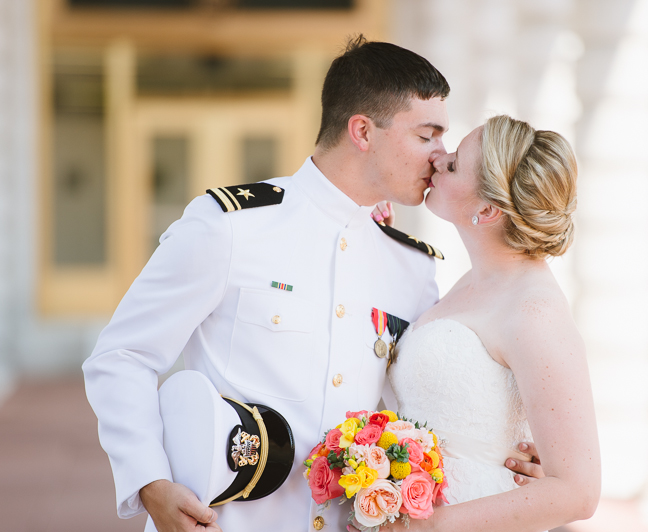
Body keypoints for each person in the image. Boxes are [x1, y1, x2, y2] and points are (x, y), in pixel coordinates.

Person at [82, 37, 538, 532]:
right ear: (363, 131)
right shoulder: (230, 227)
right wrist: (151, 482)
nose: (439, 156)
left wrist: (503, 458)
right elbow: (122, 356)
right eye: (427, 135)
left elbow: (420, 398)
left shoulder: (411, 264)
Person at [384, 115, 601, 531]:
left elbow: (579, 491)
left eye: (453, 165)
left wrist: (424, 527)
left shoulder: (534, 312)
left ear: (486, 208)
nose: (437, 160)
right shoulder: (471, 282)